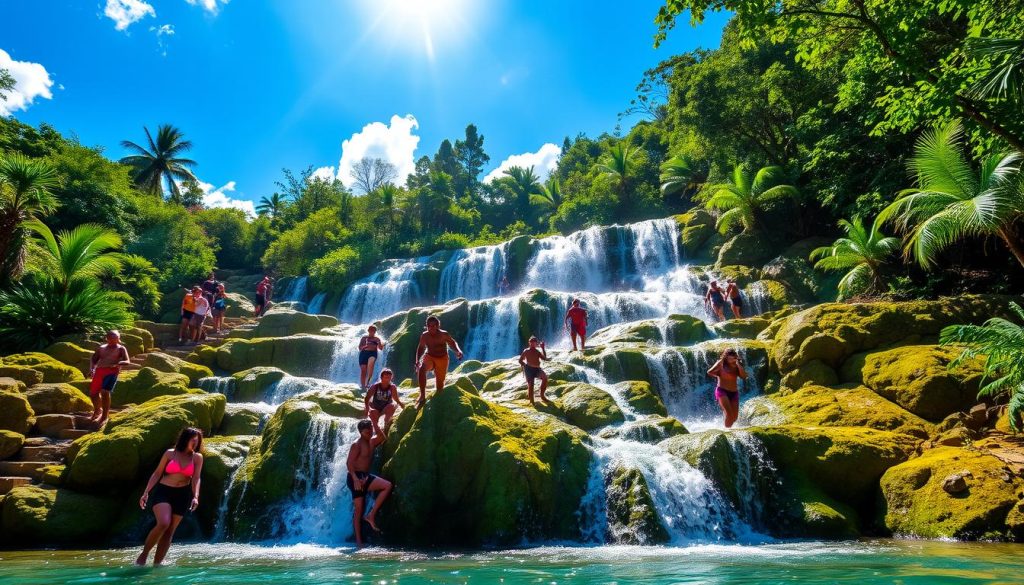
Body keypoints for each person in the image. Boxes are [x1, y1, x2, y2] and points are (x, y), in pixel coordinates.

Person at [136, 427, 204, 566]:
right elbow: (157, 473)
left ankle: (157, 563)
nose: (195, 443)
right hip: (164, 491)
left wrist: (195, 496)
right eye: (193, 440)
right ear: (185, 439)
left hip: (183, 495)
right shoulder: (170, 454)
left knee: (169, 531)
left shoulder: (197, 458)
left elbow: (196, 478)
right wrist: (146, 492)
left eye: (197, 441)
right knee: (164, 523)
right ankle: (144, 555)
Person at [346, 419, 392, 547]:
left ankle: (371, 515)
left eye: (371, 430)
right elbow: (349, 463)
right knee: (359, 510)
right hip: (355, 478)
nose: (370, 433)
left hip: (365, 476)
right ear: (361, 432)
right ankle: (359, 543)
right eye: (367, 432)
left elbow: (383, 437)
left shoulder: (372, 441)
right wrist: (355, 479)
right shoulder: (357, 444)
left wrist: (375, 423)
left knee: (387, 486)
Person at [414, 315, 464, 408]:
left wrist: (458, 351)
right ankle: (422, 395)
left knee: (440, 387)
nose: (431, 328)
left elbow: (452, 343)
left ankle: (438, 402)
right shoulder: (425, 335)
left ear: (437, 326)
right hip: (429, 356)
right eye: (429, 326)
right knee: (422, 369)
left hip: (442, 359)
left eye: (433, 326)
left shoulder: (444, 334)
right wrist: (417, 361)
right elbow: (420, 348)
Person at [88, 330, 130, 425]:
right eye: (110, 337)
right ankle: (98, 410)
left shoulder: (121, 348)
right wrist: (91, 369)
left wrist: (119, 363)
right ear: (106, 338)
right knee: (93, 393)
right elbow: (94, 359)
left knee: (105, 392)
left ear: (118, 338)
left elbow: (127, 361)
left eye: (114, 337)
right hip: (99, 371)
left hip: (112, 372)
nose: (112, 339)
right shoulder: (101, 348)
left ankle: (104, 416)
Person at [707, 349, 748, 428]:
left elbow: (744, 376)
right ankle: (727, 431)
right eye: (730, 358)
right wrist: (718, 371)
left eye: (733, 358)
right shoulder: (721, 364)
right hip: (722, 391)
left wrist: (739, 365)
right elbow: (709, 372)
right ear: (726, 357)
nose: (732, 360)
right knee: (729, 415)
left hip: (734, 393)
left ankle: (726, 426)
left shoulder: (737, 366)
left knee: (734, 418)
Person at [364, 368, 403, 434]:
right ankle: (374, 431)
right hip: (376, 407)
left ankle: (386, 426)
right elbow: (367, 398)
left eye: (389, 378)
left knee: (392, 406)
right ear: (381, 377)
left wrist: (401, 404)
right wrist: (368, 408)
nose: (388, 379)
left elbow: (396, 398)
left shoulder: (392, 387)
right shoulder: (375, 386)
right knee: (374, 413)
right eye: (386, 377)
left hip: (386, 407)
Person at [518, 336, 550, 404]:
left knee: (545, 378)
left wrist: (543, 348)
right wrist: (525, 365)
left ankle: (542, 395)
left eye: (534, 342)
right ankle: (532, 401)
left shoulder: (537, 351)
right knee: (531, 385)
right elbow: (520, 360)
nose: (533, 344)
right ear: (529, 343)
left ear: (536, 343)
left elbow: (544, 358)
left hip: (537, 369)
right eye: (531, 342)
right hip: (529, 369)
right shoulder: (526, 351)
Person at [357, 325, 385, 391]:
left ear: (375, 332)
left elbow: (380, 348)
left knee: (371, 363)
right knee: (363, 370)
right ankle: (363, 386)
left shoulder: (377, 339)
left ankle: (368, 383)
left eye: (374, 331)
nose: (372, 332)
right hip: (363, 354)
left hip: (372, 353)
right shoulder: (364, 338)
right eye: (371, 330)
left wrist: (381, 344)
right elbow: (359, 348)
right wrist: (365, 346)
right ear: (368, 331)